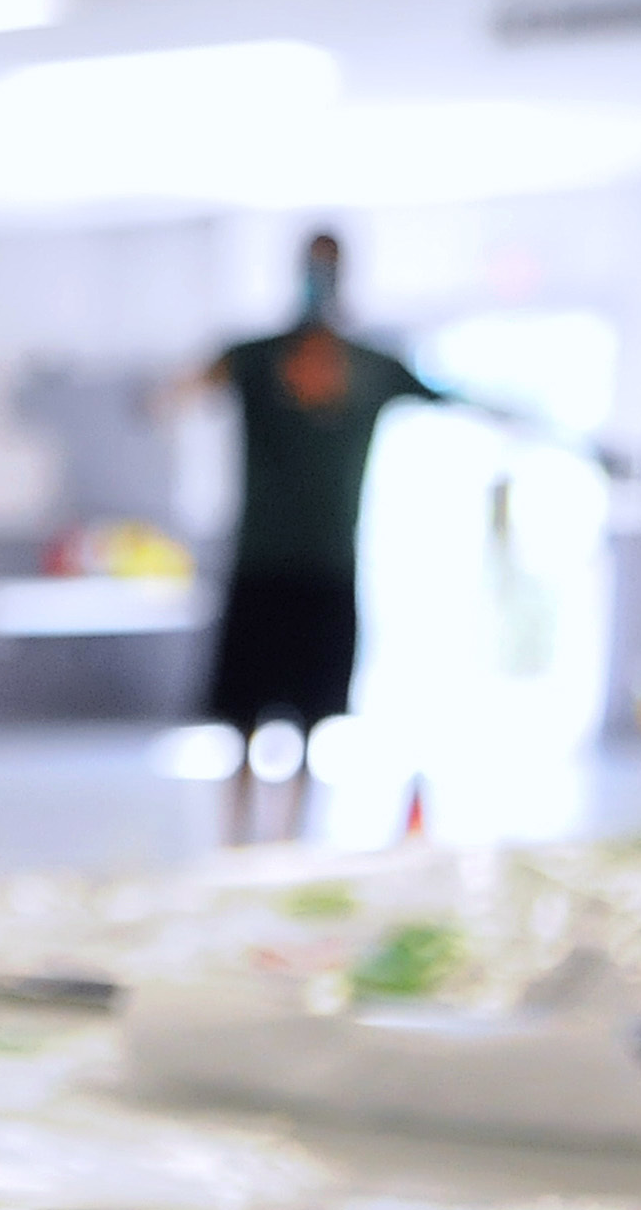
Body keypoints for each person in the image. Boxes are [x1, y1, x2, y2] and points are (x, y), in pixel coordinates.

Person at [176, 230, 448, 841]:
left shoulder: (372, 370)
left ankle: (290, 838)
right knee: (242, 718)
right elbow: (176, 392)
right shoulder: (253, 359)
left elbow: (462, 398)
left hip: (327, 572)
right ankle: (237, 839)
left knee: (311, 720)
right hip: (259, 568)